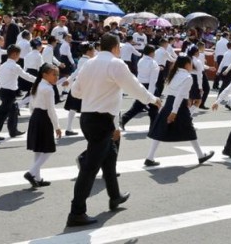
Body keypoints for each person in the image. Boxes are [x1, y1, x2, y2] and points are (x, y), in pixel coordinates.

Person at [66, 33, 162, 228]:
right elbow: (134, 87)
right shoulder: (116, 64)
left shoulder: (89, 63)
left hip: (89, 117)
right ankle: (76, 212)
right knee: (90, 167)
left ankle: (115, 196)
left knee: (110, 156)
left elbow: (76, 91)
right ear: (117, 47)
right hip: (102, 120)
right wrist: (153, 99)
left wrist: (95, 91)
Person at [144, 56, 213, 166]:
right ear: (186, 64)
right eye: (190, 64)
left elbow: (175, 93)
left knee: (161, 129)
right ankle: (201, 156)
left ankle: (149, 157)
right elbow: (180, 95)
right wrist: (174, 112)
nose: (192, 66)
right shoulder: (187, 77)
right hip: (178, 105)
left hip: (170, 102)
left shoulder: (174, 73)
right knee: (189, 129)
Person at [24, 64, 62, 188]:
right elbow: (51, 110)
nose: (56, 77)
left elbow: (31, 104)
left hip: (35, 116)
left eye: (57, 74)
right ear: (45, 74)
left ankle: (37, 178)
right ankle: (31, 172)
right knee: (49, 149)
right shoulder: (48, 89)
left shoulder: (38, 84)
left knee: (39, 149)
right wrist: (57, 126)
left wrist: (34, 115)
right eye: (54, 74)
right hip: (44, 118)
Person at [0, 46, 33, 141]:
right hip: (9, 93)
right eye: (19, 54)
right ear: (14, 54)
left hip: (3, 91)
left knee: (13, 110)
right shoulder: (14, 66)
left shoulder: (4, 65)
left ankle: (13, 130)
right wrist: (39, 80)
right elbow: (26, 76)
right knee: (2, 113)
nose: (19, 57)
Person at [120, 45, 159, 130]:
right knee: (154, 108)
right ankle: (154, 127)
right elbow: (153, 80)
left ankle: (123, 119)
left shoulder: (140, 60)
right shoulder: (153, 63)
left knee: (137, 107)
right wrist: (150, 94)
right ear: (152, 53)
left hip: (141, 85)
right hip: (149, 86)